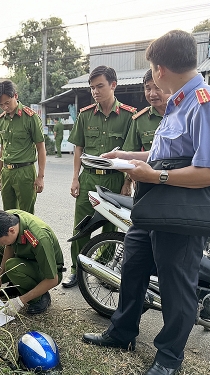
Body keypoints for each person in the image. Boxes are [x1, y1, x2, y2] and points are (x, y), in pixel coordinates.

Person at [81, 30, 210, 375]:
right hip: (152, 209)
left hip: (182, 215)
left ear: (160, 69)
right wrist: (126, 155)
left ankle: (168, 358)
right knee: (132, 270)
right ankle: (121, 333)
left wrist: (157, 177)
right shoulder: (179, 102)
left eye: (151, 69)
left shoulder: (206, 104)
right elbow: (167, 155)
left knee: (176, 287)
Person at [63, 66, 136, 288]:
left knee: (111, 226)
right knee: (81, 226)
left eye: (100, 86)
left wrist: (127, 182)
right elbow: (78, 149)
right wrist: (75, 178)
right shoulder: (85, 115)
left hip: (114, 179)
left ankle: (103, 269)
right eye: (92, 87)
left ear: (113, 85)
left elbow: (131, 152)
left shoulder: (129, 116)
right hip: (89, 179)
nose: (95, 91)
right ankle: (77, 268)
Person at [0, 210, 64, 315]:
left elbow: (53, 279)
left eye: (0, 241)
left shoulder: (39, 238)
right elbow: (9, 246)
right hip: (26, 259)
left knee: (12, 265)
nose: (0, 244)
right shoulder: (8, 219)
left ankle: (40, 297)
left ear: (11, 230)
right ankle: (15, 285)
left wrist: (20, 301)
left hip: (49, 272)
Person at [0, 80, 46, 214]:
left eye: (7, 103)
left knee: (26, 215)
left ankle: (25, 236)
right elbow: (3, 149)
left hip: (25, 172)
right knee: (8, 215)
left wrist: (40, 177)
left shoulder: (30, 117)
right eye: (1, 105)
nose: (5, 107)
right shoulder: (1, 120)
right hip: (7, 173)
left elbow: (41, 148)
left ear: (15, 96)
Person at [123, 69, 170, 152]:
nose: (152, 94)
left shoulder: (184, 113)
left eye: (158, 88)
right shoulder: (140, 120)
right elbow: (130, 153)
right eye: (148, 89)